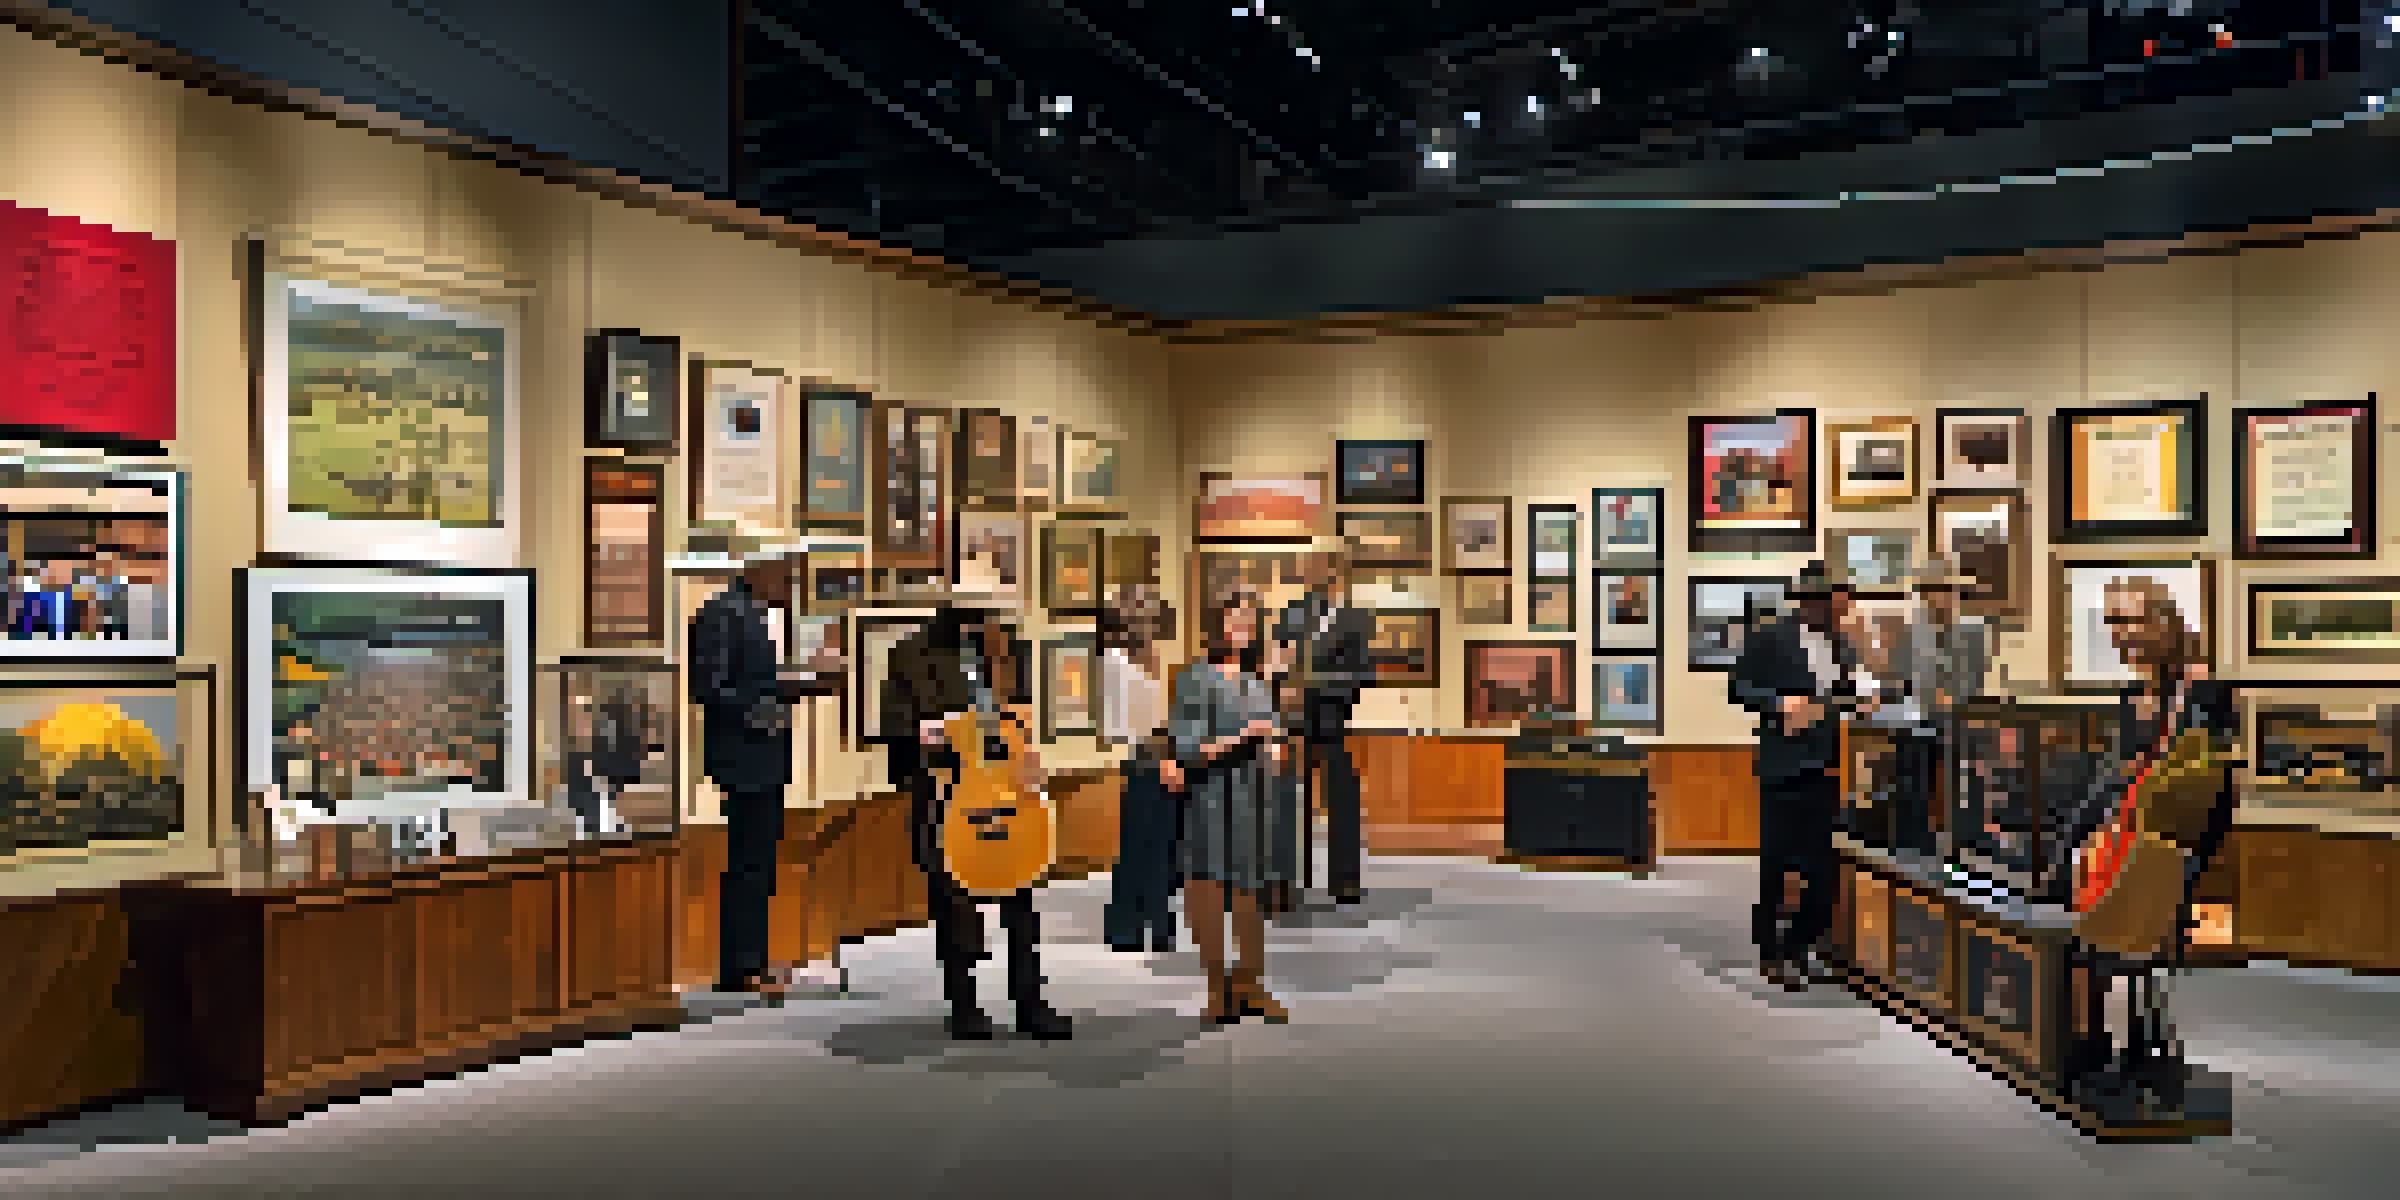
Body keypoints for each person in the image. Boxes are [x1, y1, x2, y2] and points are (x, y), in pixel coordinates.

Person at [2060, 576, 2235, 1102]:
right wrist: (2075, 838)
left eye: (2131, 619)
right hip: (2118, 844)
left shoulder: (2207, 690)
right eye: (2112, 621)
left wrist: (2189, 860)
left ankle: (2147, 1054)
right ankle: (2103, 1050)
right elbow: (2112, 778)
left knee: (2147, 961)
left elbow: (2213, 784)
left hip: (2170, 849)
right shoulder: (2131, 695)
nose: (2122, 633)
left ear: (2164, 621)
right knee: (2105, 952)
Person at [885, 604, 1071, 1041]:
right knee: (955, 904)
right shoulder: (911, 655)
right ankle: (964, 1003)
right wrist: (927, 734)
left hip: (1009, 794)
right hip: (950, 797)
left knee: (1021, 899)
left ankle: (1029, 999)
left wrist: (1031, 761)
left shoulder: (1008, 648)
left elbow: (1023, 722)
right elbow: (894, 725)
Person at [1729, 561, 1861, 991]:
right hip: (1781, 769)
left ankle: (1800, 947)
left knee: (1823, 871)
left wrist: (1860, 701)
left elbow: (1839, 696)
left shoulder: (1842, 646)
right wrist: (1779, 702)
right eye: (1833, 600)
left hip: (1825, 767)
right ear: (1809, 601)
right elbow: (1738, 687)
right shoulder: (1769, 637)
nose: (1841, 608)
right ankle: (1773, 955)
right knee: (1778, 866)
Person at [1170, 594, 1298, 1024]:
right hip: (1209, 793)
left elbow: (1276, 738)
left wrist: (1277, 746)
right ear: (1216, 623)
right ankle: (1216, 989)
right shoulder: (1195, 679)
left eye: (1249, 618)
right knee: (1207, 886)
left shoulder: (1257, 683)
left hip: (1254, 796)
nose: (1242, 625)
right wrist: (1245, 735)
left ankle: (1251, 984)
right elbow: (1189, 749)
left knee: (1250, 891)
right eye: (1234, 616)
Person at [689, 552, 805, 999]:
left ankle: (752, 959)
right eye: (785, 576)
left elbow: (760, 682)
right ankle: (740, 967)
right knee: (748, 865)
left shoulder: (757, 614)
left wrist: (798, 685)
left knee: (760, 863)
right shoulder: (721, 613)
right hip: (744, 757)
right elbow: (709, 688)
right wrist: (770, 705)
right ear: (759, 570)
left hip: (766, 755)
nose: (790, 586)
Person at [1281, 569, 1375, 905]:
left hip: (1333, 724)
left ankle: (1345, 880)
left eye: (1327, 566)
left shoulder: (1356, 619)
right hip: (1289, 725)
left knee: (1343, 800)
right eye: (1313, 565)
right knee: (1282, 799)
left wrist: (1310, 683)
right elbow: (1274, 661)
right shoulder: (1292, 612)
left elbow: (1364, 673)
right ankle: (1282, 880)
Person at [1100, 585, 1183, 952]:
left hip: (1163, 759)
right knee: (1137, 847)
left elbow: (1161, 718)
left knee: (1164, 847)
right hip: (1141, 761)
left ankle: (1160, 928)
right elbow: (1119, 724)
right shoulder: (1113, 660)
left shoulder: (1156, 658)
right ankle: (1127, 930)